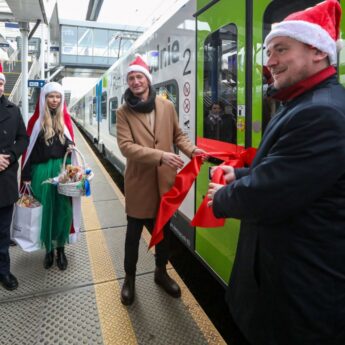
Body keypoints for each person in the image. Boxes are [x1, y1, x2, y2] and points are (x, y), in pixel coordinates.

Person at [207, 1, 345, 344]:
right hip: (286, 281)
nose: (269, 62)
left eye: (281, 49)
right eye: (269, 52)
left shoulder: (321, 113)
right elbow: (283, 167)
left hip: (297, 294)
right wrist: (238, 176)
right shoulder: (304, 102)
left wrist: (222, 197)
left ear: (317, 52)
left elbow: (270, 193)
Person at [117, 55, 204, 305]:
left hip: (165, 183)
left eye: (139, 77)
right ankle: (129, 278)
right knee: (133, 234)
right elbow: (125, 147)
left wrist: (192, 151)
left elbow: (178, 135)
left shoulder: (166, 106)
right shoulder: (123, 112)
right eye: (131, 78)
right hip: (139, 184)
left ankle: (160, 272)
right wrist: (161, 156)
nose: (135, 81)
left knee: (164, 232)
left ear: (147, 80)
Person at [22, 82, 75, 271]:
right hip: (41, 172)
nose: (54, 100)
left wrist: (70, 146)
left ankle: (61, 248)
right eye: (51, 96)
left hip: (61, 172)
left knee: (63, 210)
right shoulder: (34, 122)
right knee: (45, 211)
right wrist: (26, 176)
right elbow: (27, 151)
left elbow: (70, 144)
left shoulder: (65, 120)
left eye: (58, 97)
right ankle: (49, 250)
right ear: (44, 98)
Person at [0, 72, 29, 290]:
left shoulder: (13, 110)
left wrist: (9, 156)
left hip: (5, 180)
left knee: (2, 232)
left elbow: (23, 138)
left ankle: (4, 271)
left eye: (0, 83)